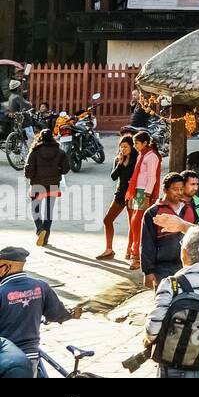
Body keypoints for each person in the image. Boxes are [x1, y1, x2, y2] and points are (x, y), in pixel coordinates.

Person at [142, 225, 199, 378]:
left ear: (184, 252)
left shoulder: (172, 284)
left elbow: (152, 330)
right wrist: (182, 224)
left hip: (174, 362)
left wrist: (148, 340)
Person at [0, 245, 81, 376]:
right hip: (30, 353)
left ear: (7, 266)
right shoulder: (41, 286)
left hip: (7, 358)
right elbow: (56, 314)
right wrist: (70, 314)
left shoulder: (2, 292)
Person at [140, 173, 197, 290]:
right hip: (163, 267)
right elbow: (147, 243)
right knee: (165, 300)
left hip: (187, 265)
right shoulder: (153, 212)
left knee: (185, 300)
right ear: (165, 190)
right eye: (175, 189)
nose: (179, 192)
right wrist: (148, 271)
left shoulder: (190, 208)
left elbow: (198, 234)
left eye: (181, 189)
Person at [125, 131, 163, 271]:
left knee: (138, 223)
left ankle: (137, 256)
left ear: (145, 143)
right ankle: (135, 252)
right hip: (138, 192)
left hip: (144, 193)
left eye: (136, 143)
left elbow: (152, 178)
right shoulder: (143, 155)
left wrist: (147, 196)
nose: (134, 146)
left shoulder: (152, 156)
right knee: (135, 223)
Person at [24, 129, 69, 248]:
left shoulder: (34, 151)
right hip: (53, 185)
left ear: (40, 138)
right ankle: (45, 238)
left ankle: (40, 229)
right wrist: (57, 171)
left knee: (35, 210)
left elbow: (28, 172)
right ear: (52, 138)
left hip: (37, 185)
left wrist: (32, 175)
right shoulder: (60, 152)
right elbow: (65, 169)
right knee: (48, 212)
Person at [96, 135, 138, 261]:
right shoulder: (118, 159)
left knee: (133, 223)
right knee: (107, 220)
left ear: (132, 147)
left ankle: (131, 251)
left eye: (126, 147)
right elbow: (113, 176)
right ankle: (109, 250)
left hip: (133, 195)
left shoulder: (136, 159)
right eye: (121, 147)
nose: (123, 149)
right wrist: (120, 163)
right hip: (120, 194)